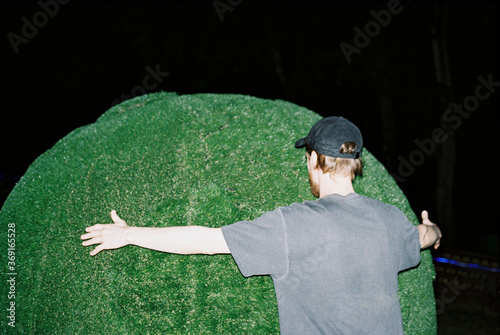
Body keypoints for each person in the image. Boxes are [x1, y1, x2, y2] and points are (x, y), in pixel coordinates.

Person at [81, 116, 442, 335]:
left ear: (315, 159)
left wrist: (128, 234)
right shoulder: (390, 220)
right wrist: (434, 230)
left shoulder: (294, 225)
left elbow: (207, 241)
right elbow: (424, 236)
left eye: (307, 158)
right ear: (355, 163)